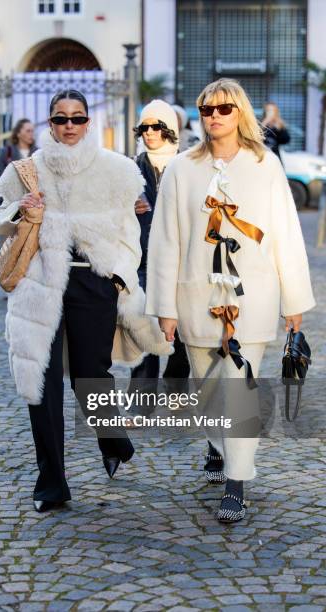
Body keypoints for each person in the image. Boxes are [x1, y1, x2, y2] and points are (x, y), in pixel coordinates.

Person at [0, 89, 171, 513]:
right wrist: (22, 210)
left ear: (88, 122)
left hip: (94, 283)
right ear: (49, 124)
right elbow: (1, 218)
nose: (69, 125)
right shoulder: (28, 169)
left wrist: (117, 276)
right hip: (40, 283)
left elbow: (130, 235)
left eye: (76, 118)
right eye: (60, 118)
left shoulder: (116, 170)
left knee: (91, 375)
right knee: (42, 380)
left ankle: (112, 437)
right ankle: (51, 482)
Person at [146, 78, 315, 523]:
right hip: (195, 296)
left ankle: (237, 482)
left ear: (239, 112)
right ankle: (220, 446)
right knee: (208, 393)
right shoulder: (182, 169)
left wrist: (293, 300)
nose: (214, 116)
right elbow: (165, 241)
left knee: (239, 387)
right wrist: (164, 307)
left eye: (223, 108)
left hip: (253, 295)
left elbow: (285, 235)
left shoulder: (266, 166)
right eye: (206, 109)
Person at [129, 100, 189, 407]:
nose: (149, 133)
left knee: (182, 336)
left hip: (183, 261)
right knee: (144, 328)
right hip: (143, 260)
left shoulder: (188, 165)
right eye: (144, 127)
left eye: (156, 126)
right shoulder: (130, 169)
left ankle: (177, 390)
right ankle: (141, 401)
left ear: (170, 129)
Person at [0, 118, 37, 215]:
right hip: (11, 206)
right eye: (28, 131)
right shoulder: (7, 152)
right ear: (18, 134)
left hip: (34, 206)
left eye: (32, 131)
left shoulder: (38, 153)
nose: (31, 134)